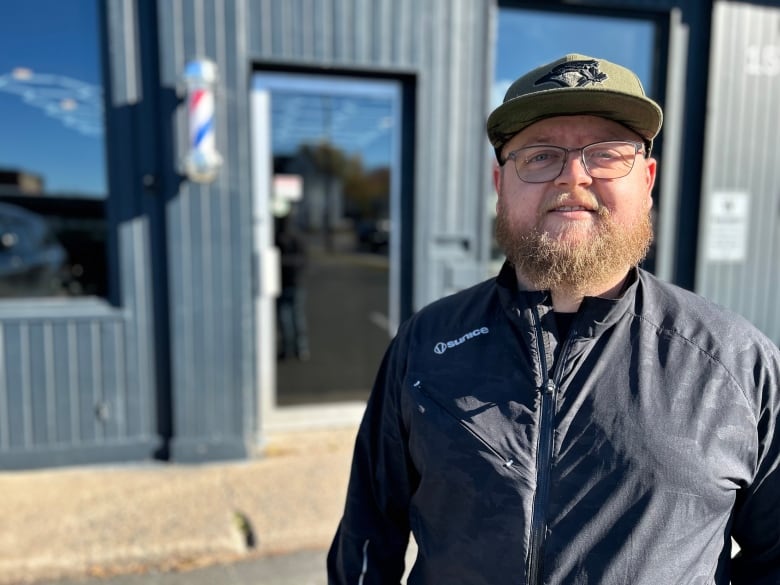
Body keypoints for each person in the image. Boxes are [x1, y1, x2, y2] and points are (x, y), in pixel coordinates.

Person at [327, 53, 780, 584]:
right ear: (500, 182)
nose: (572, 177)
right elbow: (367, 539)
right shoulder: (428, 344)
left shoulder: (734, 363)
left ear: (648, 178)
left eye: (606, 154)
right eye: (540, 156)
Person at [275, 212, 310, 361]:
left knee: (288, 318)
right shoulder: (297, 237)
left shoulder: (277, 238)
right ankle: (299, 349)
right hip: (294, 283)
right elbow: (304, 260)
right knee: (294, 318)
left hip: (286, 283)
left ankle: (292, 349)